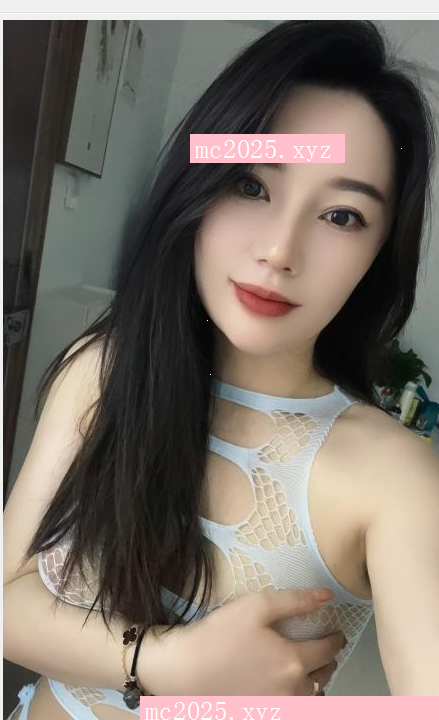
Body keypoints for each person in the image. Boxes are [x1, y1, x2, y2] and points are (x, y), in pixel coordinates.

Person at [4, 18, 439, 719]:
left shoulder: (392, 476)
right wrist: (168, 663)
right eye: (250, 184)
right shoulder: (106, 368)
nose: (279, 250)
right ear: (196, 185)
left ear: (379, 253)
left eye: (341, 216)